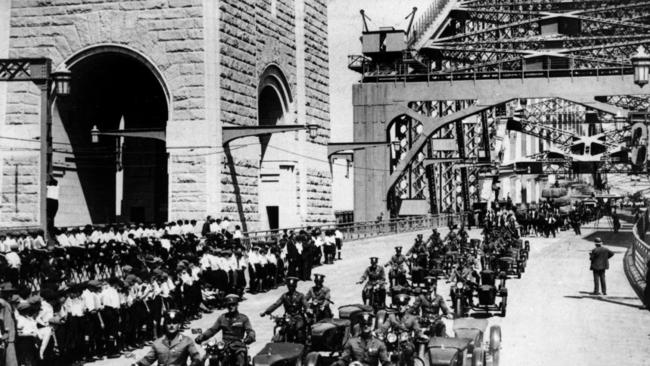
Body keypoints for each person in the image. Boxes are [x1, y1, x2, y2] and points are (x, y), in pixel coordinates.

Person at [195, 294, 255, 366]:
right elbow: (212, 330)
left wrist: (250, 338)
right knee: (211, 357)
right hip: (224, 346)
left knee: (240, 359)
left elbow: (250, 330)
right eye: (229, 305)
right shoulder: (222, 318)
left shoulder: (243, 318)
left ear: (237, 305)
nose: (231, 307)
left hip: (238, 345)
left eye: (233, 304)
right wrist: (202, 337)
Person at [133, 309, 202, 366]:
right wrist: (137, 364)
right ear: (165, 324)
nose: (171, 325)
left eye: (174, 322)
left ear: (179, 325)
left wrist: (195, 363)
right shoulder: (158, 343)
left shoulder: (186, 341)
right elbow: (148, 359)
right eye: (169, 322)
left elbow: (196, 357)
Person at [260, 277, 309, 343]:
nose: (291, 288)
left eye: (292, 286)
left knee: (299, 329)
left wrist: (308, 309)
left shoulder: (300, 296)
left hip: (298, 317)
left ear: (295, 286)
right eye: (289, 286)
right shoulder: (285, 296)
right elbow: (276, 304)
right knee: (282, 330)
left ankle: (302, 344)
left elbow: (305, 304)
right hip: (288, 317)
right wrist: (266, 312)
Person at [378, 293, 422, 365]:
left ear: (407, 306)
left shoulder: (412, 318)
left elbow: (417, 329)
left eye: (403, 305)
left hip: (407, 342)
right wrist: (375, 332)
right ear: (397, 306)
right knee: (382, 349)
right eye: (399, 305)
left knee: (409, 350)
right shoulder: (392, 317)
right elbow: (384, 327)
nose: (401, 307)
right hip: (394, 342)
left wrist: (420, 334)